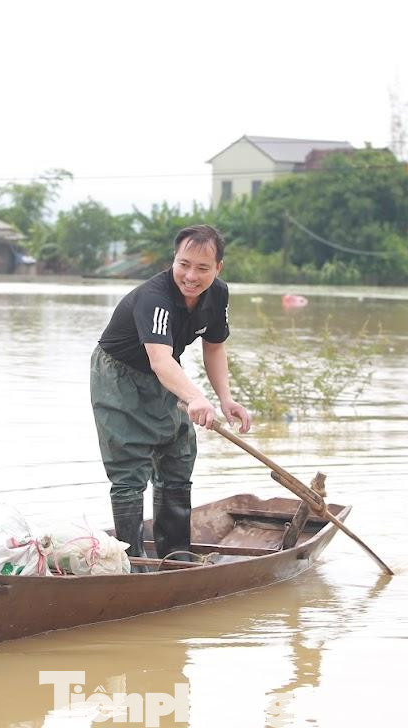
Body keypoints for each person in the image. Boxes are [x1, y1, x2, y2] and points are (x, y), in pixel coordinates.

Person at [91, 224, 251, 564]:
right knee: (129, 466)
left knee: (178, 453)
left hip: (166, 375)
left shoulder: (218, 294)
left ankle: (176, 557)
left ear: (218, 268)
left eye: (202, 268)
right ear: (173, 260)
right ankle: (132, 563)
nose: (191, 276)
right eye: (184, 264)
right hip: (120, 374)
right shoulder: (156, 297)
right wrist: (195, 397)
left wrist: (224, 398)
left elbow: (214, 348)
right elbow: (159, 359)